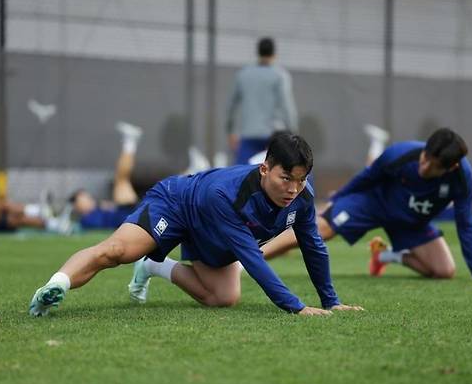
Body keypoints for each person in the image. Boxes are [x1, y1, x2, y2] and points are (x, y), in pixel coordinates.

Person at [28, 133, 362, 317]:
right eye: (285, 178)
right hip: (178, 205)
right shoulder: (228, 196)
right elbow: (253, 258)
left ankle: (154, 268)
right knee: (118, 251)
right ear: (264, 170)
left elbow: (313, 245)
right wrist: (297, 307)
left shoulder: (301, 197)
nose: (292, 188)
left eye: (300, 181)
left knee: (223, 297)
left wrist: (330, 300)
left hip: (213, 230)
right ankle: (55, 285)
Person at [261, 128, 472, 285]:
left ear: (451, 167)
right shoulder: (401, 154)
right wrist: (340, 199)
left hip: (412, 222)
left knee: (444, 271)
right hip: (374, 203)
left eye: (433, 166)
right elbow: (367, 177)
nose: (424, 167)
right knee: (321, 229)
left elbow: (466, 223)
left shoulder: (461, 178)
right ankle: (247, 260)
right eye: (425, 158)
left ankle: (384, 255)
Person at [226, 37, 298, 165]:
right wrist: (293, 133)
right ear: (274, 54)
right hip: (274, 136)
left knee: (241, 175)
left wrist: (231, 132)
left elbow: (231, 106)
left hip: (249, 134)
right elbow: (287, 107)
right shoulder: (280, 75)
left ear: (258, 52)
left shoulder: (243, 75)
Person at [69, 122, 144, 231]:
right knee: (121, 179)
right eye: (83, 198)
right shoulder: (86, 220)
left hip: (126, 212)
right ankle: (130, 143)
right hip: (126, 216)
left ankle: (130, 143)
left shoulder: (96, 209)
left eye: (87, 196)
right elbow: (100, 224)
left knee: (122, 179)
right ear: (77, 206)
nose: (88, 198)